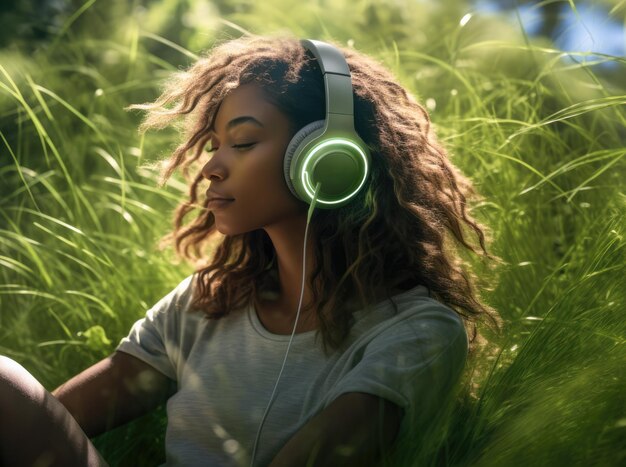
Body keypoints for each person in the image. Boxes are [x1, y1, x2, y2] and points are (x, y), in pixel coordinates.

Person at [0, 34, 501, 467]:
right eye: (213, 144)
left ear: (330, 159)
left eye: (241, 143)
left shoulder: (415, 333)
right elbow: (41, 426)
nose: (212, 167)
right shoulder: (207, 301)